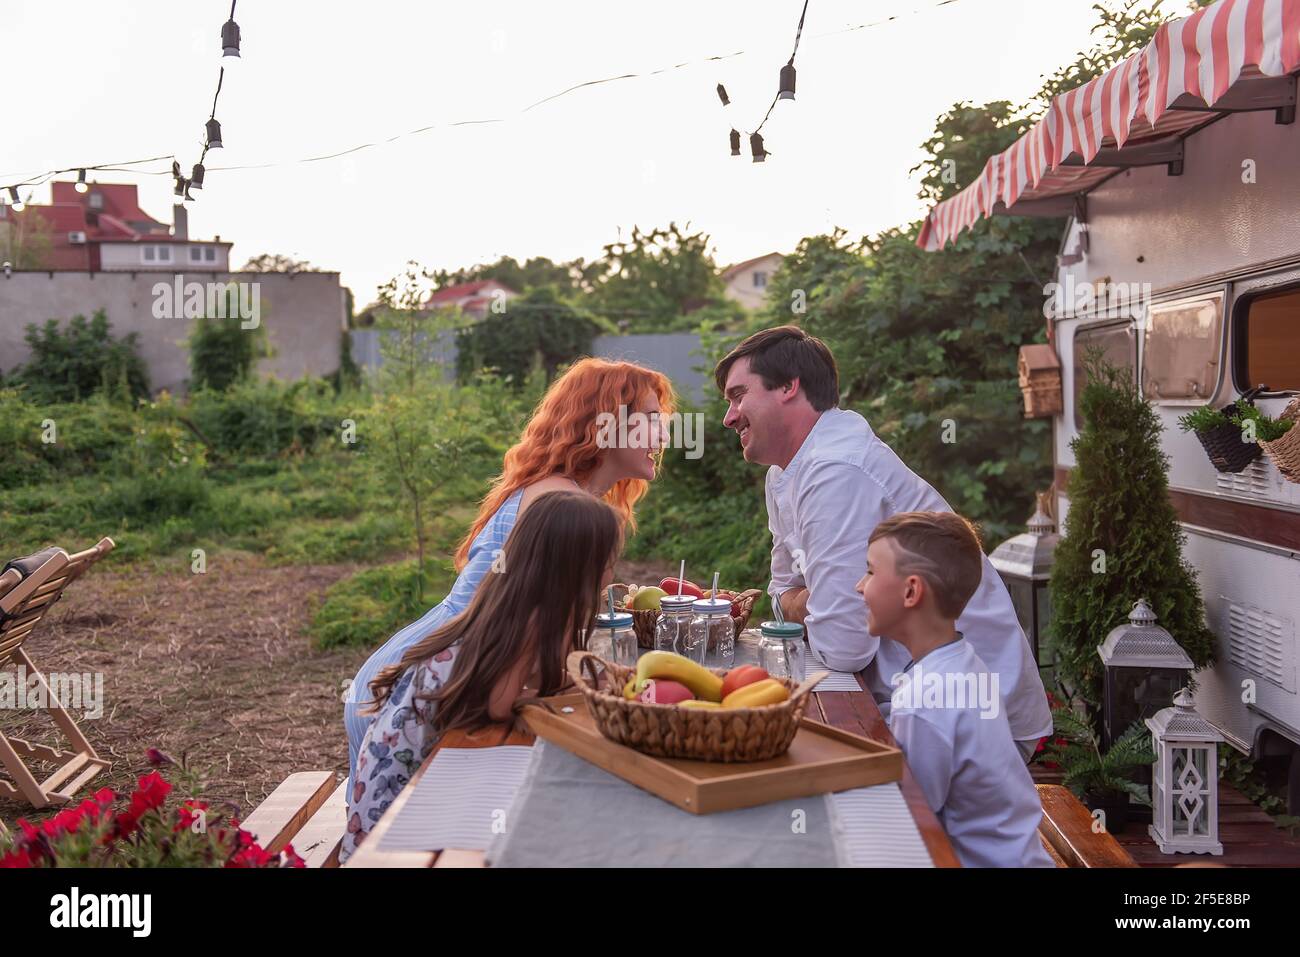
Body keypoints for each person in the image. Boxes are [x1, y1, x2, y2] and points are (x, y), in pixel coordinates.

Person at [714, 325, 1050, 758]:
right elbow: (781, 595)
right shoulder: (786, 472)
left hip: (969, 714)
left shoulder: (837, 468)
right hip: (901, 695)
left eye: (739, 396)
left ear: (788, 387)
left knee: (783, 763)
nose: (729, 417)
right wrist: (803, 602)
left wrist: (804, 603)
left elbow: (842, 645)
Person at [344, 358, 674, 782]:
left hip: (426, 673)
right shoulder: (558, 504)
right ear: (605, 424)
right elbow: (531, 647)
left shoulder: (557, 491)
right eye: (651, 419)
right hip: (434, 689)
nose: (664, 434)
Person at [340, 491, 623, 862]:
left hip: (402, 785)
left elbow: (553, 673)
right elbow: (500, 705)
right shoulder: (528, 621)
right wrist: (543, 699)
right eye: (609, 560)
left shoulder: (529, 602)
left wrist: (585, 684)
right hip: (392, 815)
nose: (613, 570)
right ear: (578, 565)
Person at [856, 510, 1053, 867]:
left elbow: (913, 821)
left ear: (911, 590)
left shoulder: (924, 702)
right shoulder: (963, 661)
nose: (859, 586)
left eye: (870, 571)